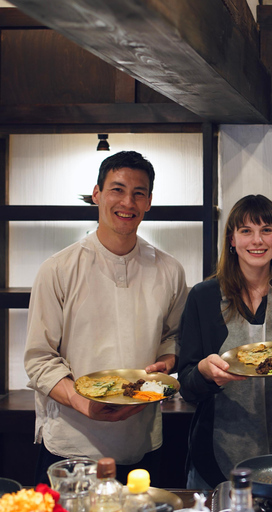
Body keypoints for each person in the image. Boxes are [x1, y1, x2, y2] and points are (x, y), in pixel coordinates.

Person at [24, 150, 188, 484]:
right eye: (117, 189)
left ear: (149, 202)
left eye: (138, 193)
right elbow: (40, 358)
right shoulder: (58, 268)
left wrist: (168, 358)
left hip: (141, 441)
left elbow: (174, 335)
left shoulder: (169, 269)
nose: (127, 202)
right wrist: (81, 402)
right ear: (97, 194)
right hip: (71, 448)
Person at [177, 194, 272, 489]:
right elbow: (188, 387)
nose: (257, 240)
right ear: (232, 239)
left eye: (266, 230)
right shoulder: (203, 298)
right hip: (216, 452)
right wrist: (207, 373)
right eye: (246, 231)